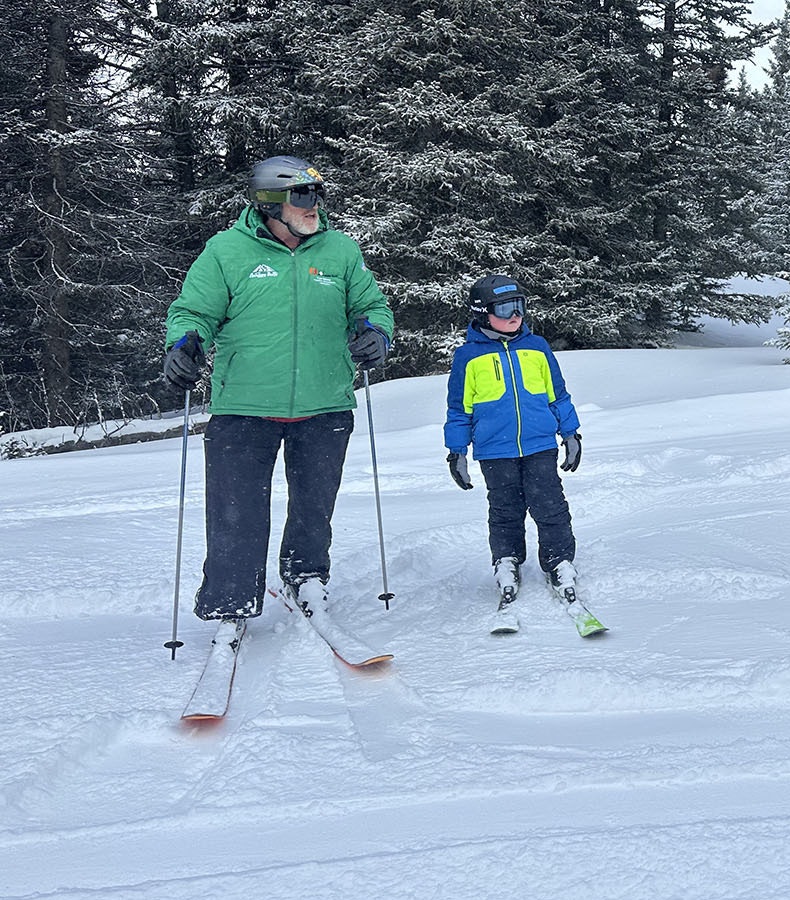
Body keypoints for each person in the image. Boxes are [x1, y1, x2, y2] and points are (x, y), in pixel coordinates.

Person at [162, 155, 394, 643]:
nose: (314, 206)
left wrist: (375, 332)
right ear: (271, 203)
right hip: (245, 404)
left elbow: (370, 306)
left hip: (325, 399)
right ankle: (231, 603)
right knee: (235, 509)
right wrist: (185, 343)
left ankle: (304, 578)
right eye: (302, 196)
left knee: (314, 505)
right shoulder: (226, 251)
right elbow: (194, 311)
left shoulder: (340, 251)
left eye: (317, 195)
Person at [443, 275, 584, 617]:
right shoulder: (468, 358)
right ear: (481, 312)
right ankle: (506, 560)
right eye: (504, 309)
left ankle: (559, 561)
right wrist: (457, 450)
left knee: (549, 505)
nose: (514, 316)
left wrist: (570, 432)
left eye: (519, 307)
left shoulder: (536, 348)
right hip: (495, 450)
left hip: (539, 444)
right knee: (504, 509)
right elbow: (459, 410)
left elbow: (557, 394)